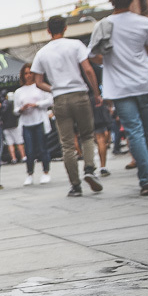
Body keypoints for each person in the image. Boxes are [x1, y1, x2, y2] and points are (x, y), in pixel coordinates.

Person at [88, 0, 148, 196]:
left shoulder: (102, 25)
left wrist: (109, 61)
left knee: (134, 132)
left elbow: (93, 55)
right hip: (144, 82)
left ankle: (147, 179)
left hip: (119, 87)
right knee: (145, 131)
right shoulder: (144, 22)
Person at [31, 15, 105, 197]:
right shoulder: (76, 45)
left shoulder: (42, 53)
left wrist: (53, 88)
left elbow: (38, 81)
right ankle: (89, 169)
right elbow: (88, 69)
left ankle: (75, 185)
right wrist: (96, 93)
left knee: (67, 144)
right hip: (79, 94)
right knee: (87, 135)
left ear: (48, 31)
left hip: (59, 99)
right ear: (65, 28)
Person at [13, 63, 54, 185]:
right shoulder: (19, 92)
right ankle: (30, 173)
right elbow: (15, 110)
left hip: (39, 121)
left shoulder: (40, 87)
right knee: (29, 150)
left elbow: (50, 101)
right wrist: (22, 108)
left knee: (43, 148)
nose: (28, 76)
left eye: (30, 73)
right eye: (26, 73)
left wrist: (37, 104)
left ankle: (46, 172)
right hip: (26, 123)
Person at [1, 90, 25, 165]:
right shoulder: (12, 103)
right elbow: (17, 113)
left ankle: (13, 158)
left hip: (5, 126)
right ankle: (23, 156)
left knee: (10, 143)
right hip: (14, 124)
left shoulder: (1, 105)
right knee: (19, 141)